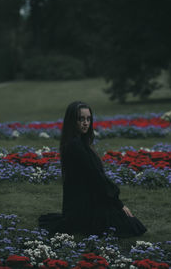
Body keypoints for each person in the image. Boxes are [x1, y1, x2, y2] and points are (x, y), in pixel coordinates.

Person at [38, 101, 147, 237]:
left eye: (88, 119)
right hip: (85, 206)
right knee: (132, 226)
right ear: (72, 121)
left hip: (87, 200)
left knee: (131, 223)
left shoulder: (79, 142)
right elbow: (97, 178)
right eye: (81, 119)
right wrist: (118, 204)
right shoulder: (75, 145)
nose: (85, 123)